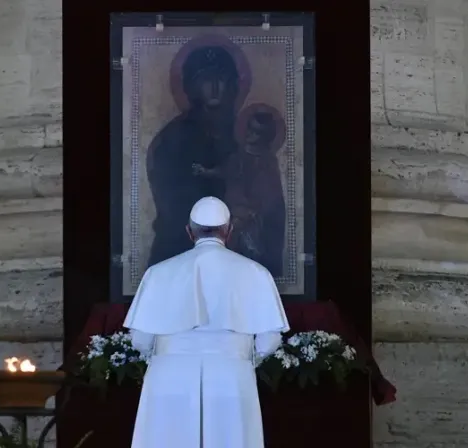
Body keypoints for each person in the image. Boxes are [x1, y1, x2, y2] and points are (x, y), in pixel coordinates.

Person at [123, 196, 290, 448]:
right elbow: (269, 339)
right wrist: (240, 356)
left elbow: (140, 339)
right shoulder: (255, 273)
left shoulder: (158, 273)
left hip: (169, 376)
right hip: (231, 376)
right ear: (229, 231)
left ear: (189, 232)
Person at [146, 45, 241, 267]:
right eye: (206, 80)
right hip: (182, 251)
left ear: (233, 86)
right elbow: (171, 207)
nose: (216, 88)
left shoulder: (245, 132)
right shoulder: (172, 139)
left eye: (222, 79)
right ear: (191, 87)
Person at [192, 110, 286, 276]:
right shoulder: (238, 156)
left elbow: (270, 193)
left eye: (256, 132)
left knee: (248, 248)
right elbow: (225, 170)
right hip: (235, 210)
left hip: (252, 215)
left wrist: (253, 211)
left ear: (265, 137)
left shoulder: (267, 162)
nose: (250, 134)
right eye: (249, 129)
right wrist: (206, 171)